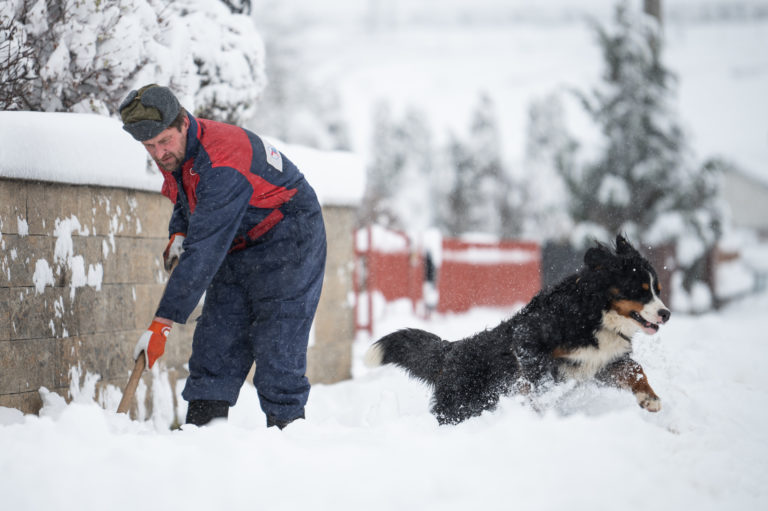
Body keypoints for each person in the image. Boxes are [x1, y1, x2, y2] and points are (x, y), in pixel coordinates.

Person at [119, 84, 327, 429]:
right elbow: (189, 197)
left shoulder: (223, 160)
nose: (158, 153)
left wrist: (164, 322)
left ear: (183, 122)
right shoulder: (178, 150)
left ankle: (289, 447)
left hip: (289, 239)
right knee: (215, 346)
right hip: (239, 241)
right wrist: (179, 231)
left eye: (164, 141)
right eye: (149, 146)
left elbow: (204, 251)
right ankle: (201, 446)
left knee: (277, 349)